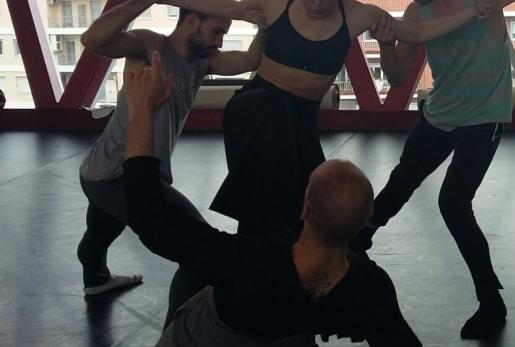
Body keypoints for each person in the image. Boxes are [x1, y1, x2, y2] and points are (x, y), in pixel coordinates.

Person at [159, 0, 479, 237]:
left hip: (299, 122)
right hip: (256, 113)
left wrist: (472, 13)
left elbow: (420, 33)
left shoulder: (358, 15)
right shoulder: (273, 0)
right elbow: (228, 7)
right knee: (271, 211)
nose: (316, 0)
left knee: (307, 212)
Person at [120, 52, 421, 346]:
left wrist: (141, 112)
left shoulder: (246, 264)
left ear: (305, 208)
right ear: (364, 221)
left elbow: (149, 215)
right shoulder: (368, 287)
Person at [351, 0, 515, 339]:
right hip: (441, 114)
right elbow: (396, 78)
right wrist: (385, 43)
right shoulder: (417, 12)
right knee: (401, 182)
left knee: (453, 201)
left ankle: (490, 300)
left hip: (485, 119)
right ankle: (353, 247)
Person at [76, 0, 264, 297]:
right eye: (216, 31)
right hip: (114, 172)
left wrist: (266, 26)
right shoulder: (152, 46)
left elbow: (250, 59)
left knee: (100, 232)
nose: (219, 41)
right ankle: (177, 332)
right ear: (191, 21)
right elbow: (93, 40)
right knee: (197, 244)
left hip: (111, 171)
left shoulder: (203, 62)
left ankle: (95, 278)